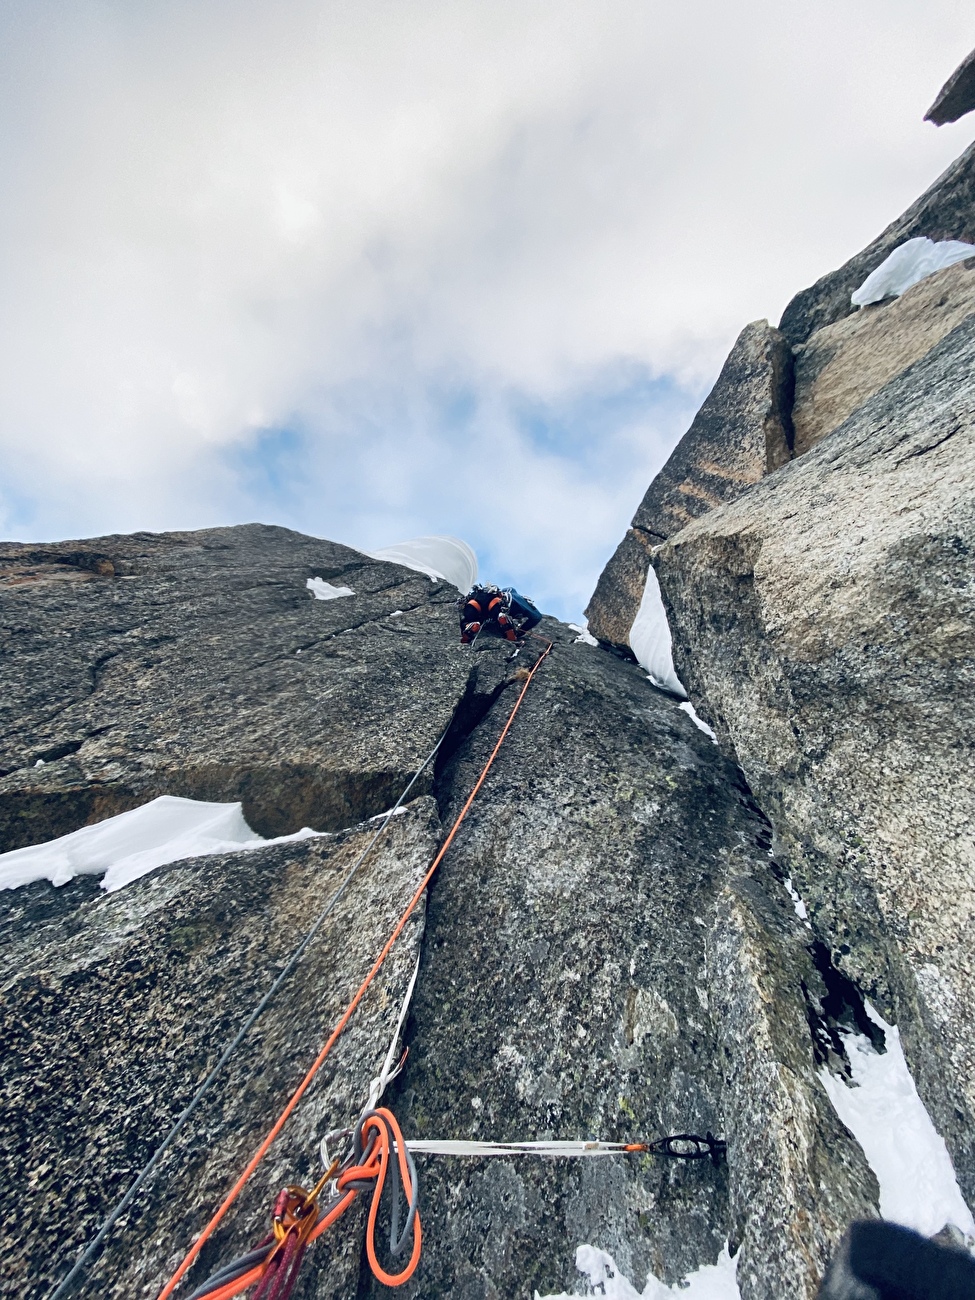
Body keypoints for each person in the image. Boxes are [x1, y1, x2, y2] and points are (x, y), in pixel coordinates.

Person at [458, 583, 542, 644]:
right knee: (498, 618)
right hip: (494, 604)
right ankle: (507, 626)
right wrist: (520, 632)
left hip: (474, 600)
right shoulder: (520, 600)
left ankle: (468, 625)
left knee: (470, 618)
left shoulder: (498, 591)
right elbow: (537, 617)